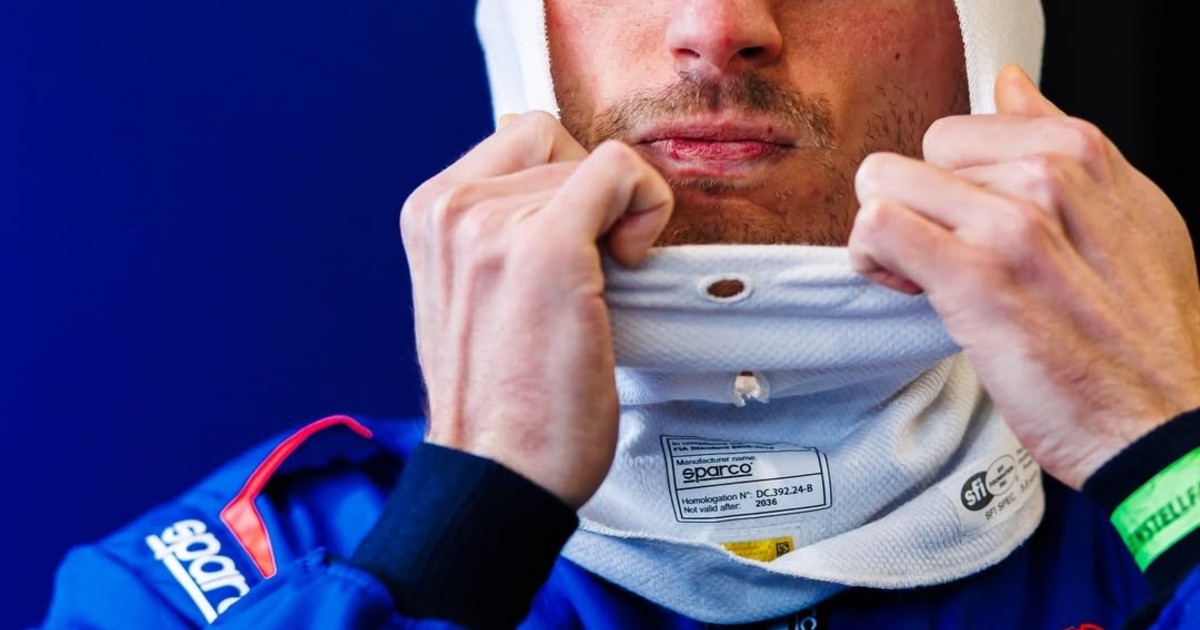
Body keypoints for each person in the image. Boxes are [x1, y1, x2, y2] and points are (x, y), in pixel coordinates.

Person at [37, 0, 1200, 628]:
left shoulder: (1162, 522)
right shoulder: (190, 593)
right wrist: (461, 528)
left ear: (984, 30)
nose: (718, 24)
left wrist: (1164, 459)